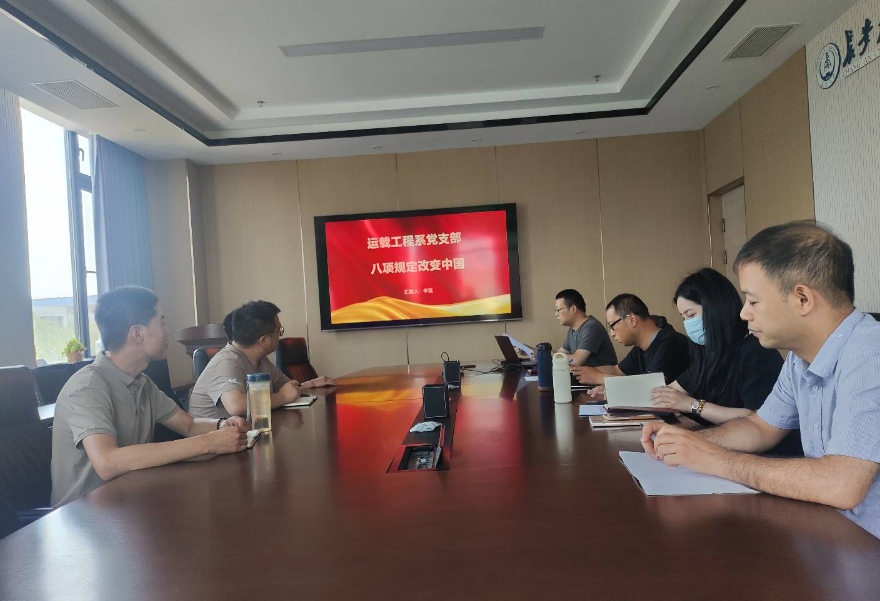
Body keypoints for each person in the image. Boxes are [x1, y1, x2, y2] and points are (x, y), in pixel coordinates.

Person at [642, 222, 880, 539]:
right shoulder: (799, 358)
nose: (743, 314)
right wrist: (686, 442)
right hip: (828, 530)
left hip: (866, 544)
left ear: (802, 299)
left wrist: (717, 460)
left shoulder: (870, 355)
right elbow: (760, 427)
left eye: (753, 301)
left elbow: (841, 484)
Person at [51, 286, 250, 507]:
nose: (167, 332)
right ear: (138, 333)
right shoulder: (87, 387)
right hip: (83, 514)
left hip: (129, 501)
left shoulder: (142, 382)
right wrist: (208, 443)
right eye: (162, 323)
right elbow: (107, 462)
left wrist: (222, 425)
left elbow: (189, 424)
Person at [649, 268, 788, 427]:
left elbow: (758, 419)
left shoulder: (756, 352)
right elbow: (671, 391)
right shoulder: (709, 352)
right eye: (684, 318)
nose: (687, 324)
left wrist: (692, 405)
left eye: (691, 315)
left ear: (715, 307)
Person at [188, 300, 337, 420]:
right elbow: (237, 406)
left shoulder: (260, 360)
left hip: (244, 435)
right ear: (264, 341)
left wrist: (310, 384)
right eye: (279, 331)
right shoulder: (227, 362)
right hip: (211, 443)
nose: (281, 334)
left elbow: (287, 386)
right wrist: (283, 397)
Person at [571, 293, 689, 386]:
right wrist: (582, 372)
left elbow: (651, 386)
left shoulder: (670, 343)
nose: (612, 333)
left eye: (612, 326)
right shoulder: (641, 347)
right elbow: (617, 370)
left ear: (632, 320)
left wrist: (599, 378)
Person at [551, 289, 617, 368]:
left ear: (573, 309)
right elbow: (560, 353)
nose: (556, 314)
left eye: (558, 310)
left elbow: (576, 361)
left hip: (605, 375)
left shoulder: (592, 327)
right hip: (586, 375)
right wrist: (541, 352)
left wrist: (549, 355)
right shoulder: (572, 330)